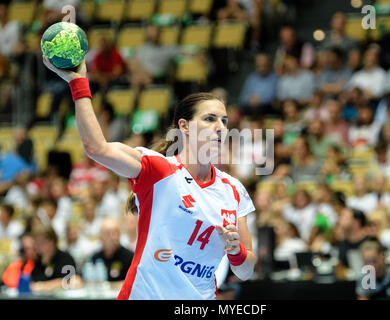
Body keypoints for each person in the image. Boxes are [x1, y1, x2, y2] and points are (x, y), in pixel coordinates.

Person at [42, 57, 257, 300]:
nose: (221, 127)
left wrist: (235, 250)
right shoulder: (159, 170)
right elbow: (96, 148)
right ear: (184, 126)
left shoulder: (233, 190)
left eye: (224, 121)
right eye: (210, 119)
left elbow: (246, 270)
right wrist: (78, 82)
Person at [30, 225, 79, 292]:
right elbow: (33, 283)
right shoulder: (38, 261)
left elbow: (71, 281)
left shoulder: (65, 259)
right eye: (36, 242)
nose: (37, 246)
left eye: (41, 242)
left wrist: (42, 286)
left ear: (52, 242)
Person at [89, 218, 133, 286]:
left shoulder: (131, 258)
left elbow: (133, 284)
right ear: (100, 237)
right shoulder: (94, 258)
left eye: (115, 233)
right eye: (108, 233)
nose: (112, 237)